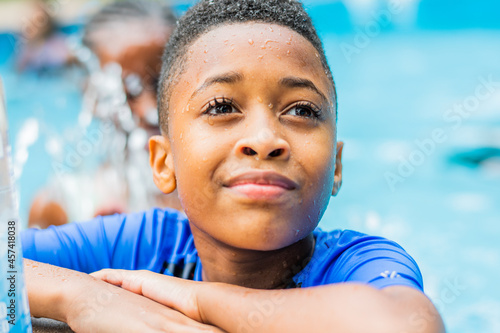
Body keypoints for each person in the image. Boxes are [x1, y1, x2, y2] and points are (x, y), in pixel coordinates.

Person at [22, 0, 445, 332]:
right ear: (163, 162)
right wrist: (78, 297)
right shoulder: (145, 244)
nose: (264, 140)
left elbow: (409, 324)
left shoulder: (356, 263)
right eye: (221, 106)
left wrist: (199, 300)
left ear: (336, 165)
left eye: (300, 110)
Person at [28, 0, 182, 229]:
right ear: (94, 96)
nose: (149, 109)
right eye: (126, 92)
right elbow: (12, 265)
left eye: (160, 85)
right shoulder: (61, 207)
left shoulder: (213, 195)